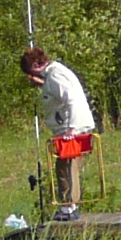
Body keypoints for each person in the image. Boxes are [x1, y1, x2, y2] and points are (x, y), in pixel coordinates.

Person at [21, 47, 97, 218]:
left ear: (36, 64)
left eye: (30, 70)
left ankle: (68, 208)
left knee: (67, 168)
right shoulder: (53, 74)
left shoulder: (55, 75)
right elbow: (59, 92)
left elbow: (71, 99)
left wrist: (71, 128)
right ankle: (69, 207)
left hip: (71, 130)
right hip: (72, 127)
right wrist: (41, 84)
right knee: (66, 167)